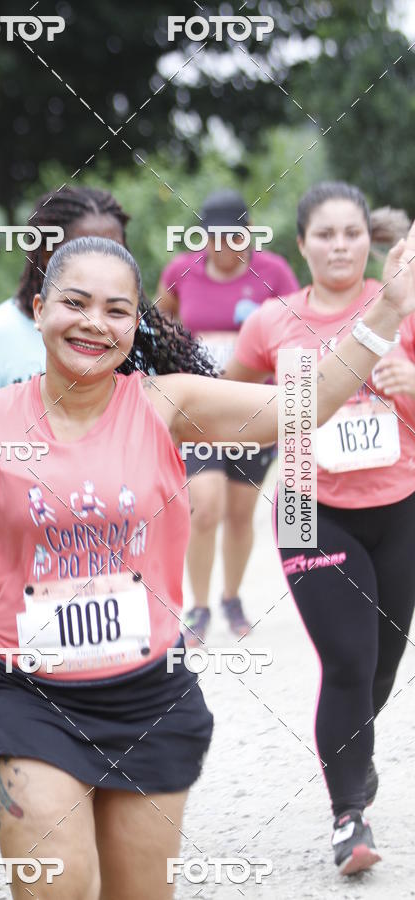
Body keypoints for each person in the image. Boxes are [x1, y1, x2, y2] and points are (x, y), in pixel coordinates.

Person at [0, 230, 413, 897]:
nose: (94, 323)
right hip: (25, 696)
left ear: (137, 322)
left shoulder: (168, 406)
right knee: (63, 885)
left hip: (149, 698)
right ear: (39, 308)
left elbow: (308, 405)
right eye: (75, 303)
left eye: (117, 310)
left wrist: (388, 307)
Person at [0, 185, 141, 867]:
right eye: (83, 246)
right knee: (12, 708)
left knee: (104, 708)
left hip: (108, 561)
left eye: (116, 248)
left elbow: (190, 408)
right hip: (10, 561)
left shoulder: (131, 329)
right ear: (43, 253)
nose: (100, 260)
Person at [224, 181, 414, 874]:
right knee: (348, 660)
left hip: (400, 504)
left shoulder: (403, 305)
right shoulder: (271, 321)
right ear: (300, 244)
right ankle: (349, 818)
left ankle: (352, 759)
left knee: (382, 667)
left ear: (371, 238)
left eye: (352, 233)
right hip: (308, 504)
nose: (340, 245)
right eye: (325, 234)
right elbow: (234, 395)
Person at [155, 189, 299, 643]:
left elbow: (298, 326)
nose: (224, 246)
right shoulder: (182, 271)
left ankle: (232, 598)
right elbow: (160, 323)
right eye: (214, 237)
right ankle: (196, 607)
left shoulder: (273, 272)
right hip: (200, 413)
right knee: (205, 507)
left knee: (240, 513)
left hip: (255, 411)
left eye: (234, 237)